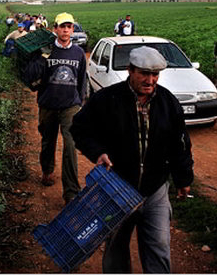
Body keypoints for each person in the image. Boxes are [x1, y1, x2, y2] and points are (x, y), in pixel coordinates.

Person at [71, 46, 194, 273]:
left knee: (158, 247)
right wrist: (97, 152)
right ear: (130, 70)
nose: (150, 80)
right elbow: (79, 128)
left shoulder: (168, 102)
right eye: (144, 74)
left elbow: (180, 143)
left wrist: (183, 177)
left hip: (155, 190)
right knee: (116, 248)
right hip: (118, 188)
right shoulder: (107, 99)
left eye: (155, 74)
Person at [23, 12, 87, 204]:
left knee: (71, 144)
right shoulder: (46, 51)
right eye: (62, 26)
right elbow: (32, 77)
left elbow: (82, 79)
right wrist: (42, 57)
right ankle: (48, 170)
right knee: (48, 141)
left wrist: (80, 101)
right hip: (48, 104)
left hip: (70, 106)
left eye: (69, 26)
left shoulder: (78, 53)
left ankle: (71, 191)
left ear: (72, 30)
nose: (66, 29)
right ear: (55, 29)